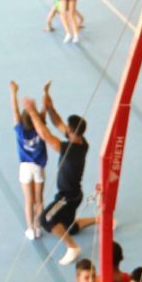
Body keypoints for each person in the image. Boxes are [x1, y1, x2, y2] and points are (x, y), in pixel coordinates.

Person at [25, 84, 89, 266]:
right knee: (67, 225)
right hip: (75, 194)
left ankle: (72, 247)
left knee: (47, 219)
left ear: (71, 132)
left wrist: (32, 112)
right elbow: (58, 123)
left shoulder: (70, 150)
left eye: (67, 129)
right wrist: (49, 104)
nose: (64, 128)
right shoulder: (82, 142)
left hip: (66, 197)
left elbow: (45, 135)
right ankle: (98, 220)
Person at [10, 80, 49, 241]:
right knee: (39, 200)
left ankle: (30, 229)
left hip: (25, 167)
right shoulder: (40, 130)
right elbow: (44, 110)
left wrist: (14, 92)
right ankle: (39, 227)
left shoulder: (20, 130)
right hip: (38, 167)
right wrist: (45, 93)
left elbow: (15, 111)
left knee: (29, 201)